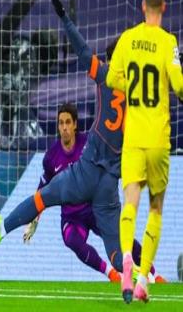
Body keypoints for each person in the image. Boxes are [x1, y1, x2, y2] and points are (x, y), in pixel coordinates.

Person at [0, 0, 165, 283]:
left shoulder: (105, 75)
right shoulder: (140, 93)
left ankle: (1, 229)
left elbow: (82, 51)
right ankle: (132, 270)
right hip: (109, 182)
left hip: (85, 171)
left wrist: (64, 18)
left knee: (43, 197)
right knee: (115, 247)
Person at [106, 0, 183, 303]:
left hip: (134, 138)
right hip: (158, 141)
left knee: (130, 202)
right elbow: (179, 86)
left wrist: (131, 87)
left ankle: (126, 259)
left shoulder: (127, 39)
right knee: (155, 208)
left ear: (142, 5)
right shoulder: (168, 42)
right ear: (163, 5)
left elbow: (112, 78)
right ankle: (141, 280)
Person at [23, 103, 121, 282]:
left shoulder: (89, 144)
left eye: (68, 122)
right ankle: (111, 274)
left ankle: (152, 273)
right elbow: (42, 190)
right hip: (72, 216)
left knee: (121, 238)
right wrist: (34, 220)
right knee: (71, 240)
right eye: (61, 123)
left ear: (75, 124)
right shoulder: (51, 157)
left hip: (94, 209)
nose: (64, 127)